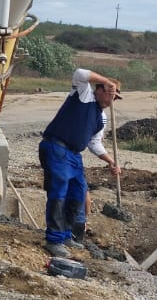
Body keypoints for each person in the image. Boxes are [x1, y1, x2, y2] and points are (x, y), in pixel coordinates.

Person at [38, 68, 122, 258]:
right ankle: (54, 239)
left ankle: (67, 233)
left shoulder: (102, 117)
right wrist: (106, 79)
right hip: (56, 147)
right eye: (110, 94)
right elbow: (80, 73)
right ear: (99, 90)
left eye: (115, 97)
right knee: (58, 193)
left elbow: (94, 143)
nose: (111, 101)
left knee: (77, 194)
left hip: (75, 155)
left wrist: (110, 161)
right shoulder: (84, 96)